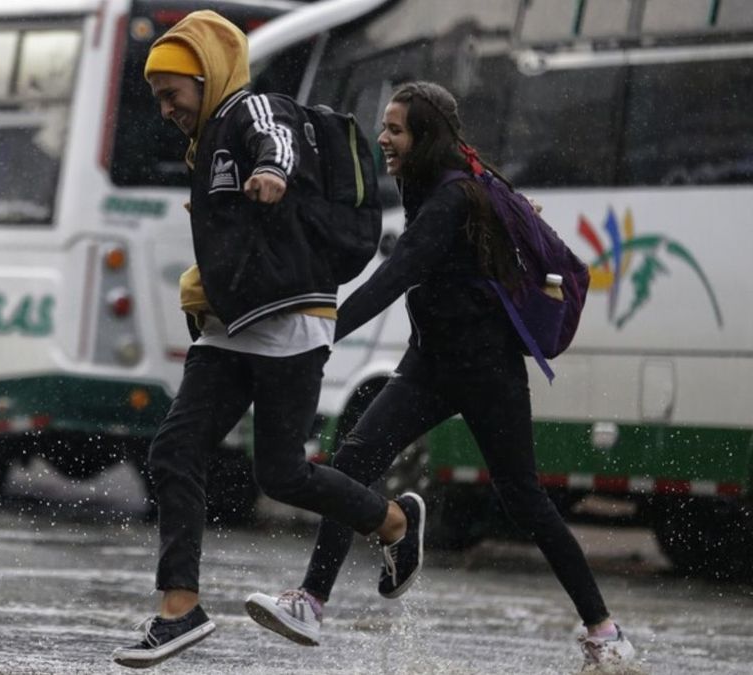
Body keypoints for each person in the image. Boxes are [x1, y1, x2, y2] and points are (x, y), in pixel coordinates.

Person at [244, 81, 638, 672]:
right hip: (428, 364)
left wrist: (317, 337)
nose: (382, 139)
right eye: (383, 127)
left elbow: (395, 276)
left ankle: (605, 632)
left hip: (486, 372)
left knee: (525, 499)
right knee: (350, 464)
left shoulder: (454, 196)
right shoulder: (421, 182)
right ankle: (310, 602)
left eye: (395, 130)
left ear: (425, 137)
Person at [110, 11, 422, 670]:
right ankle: (179, 608)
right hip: (232, 330)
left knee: (280, 473)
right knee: (174, 451)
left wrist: (274, 173)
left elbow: (277, 140)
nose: (166, 109)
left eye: (174, 94)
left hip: (290, 320)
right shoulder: (204, 145)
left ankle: (392, 522)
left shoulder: (249, 111)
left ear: (209, 75)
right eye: (158, 98)